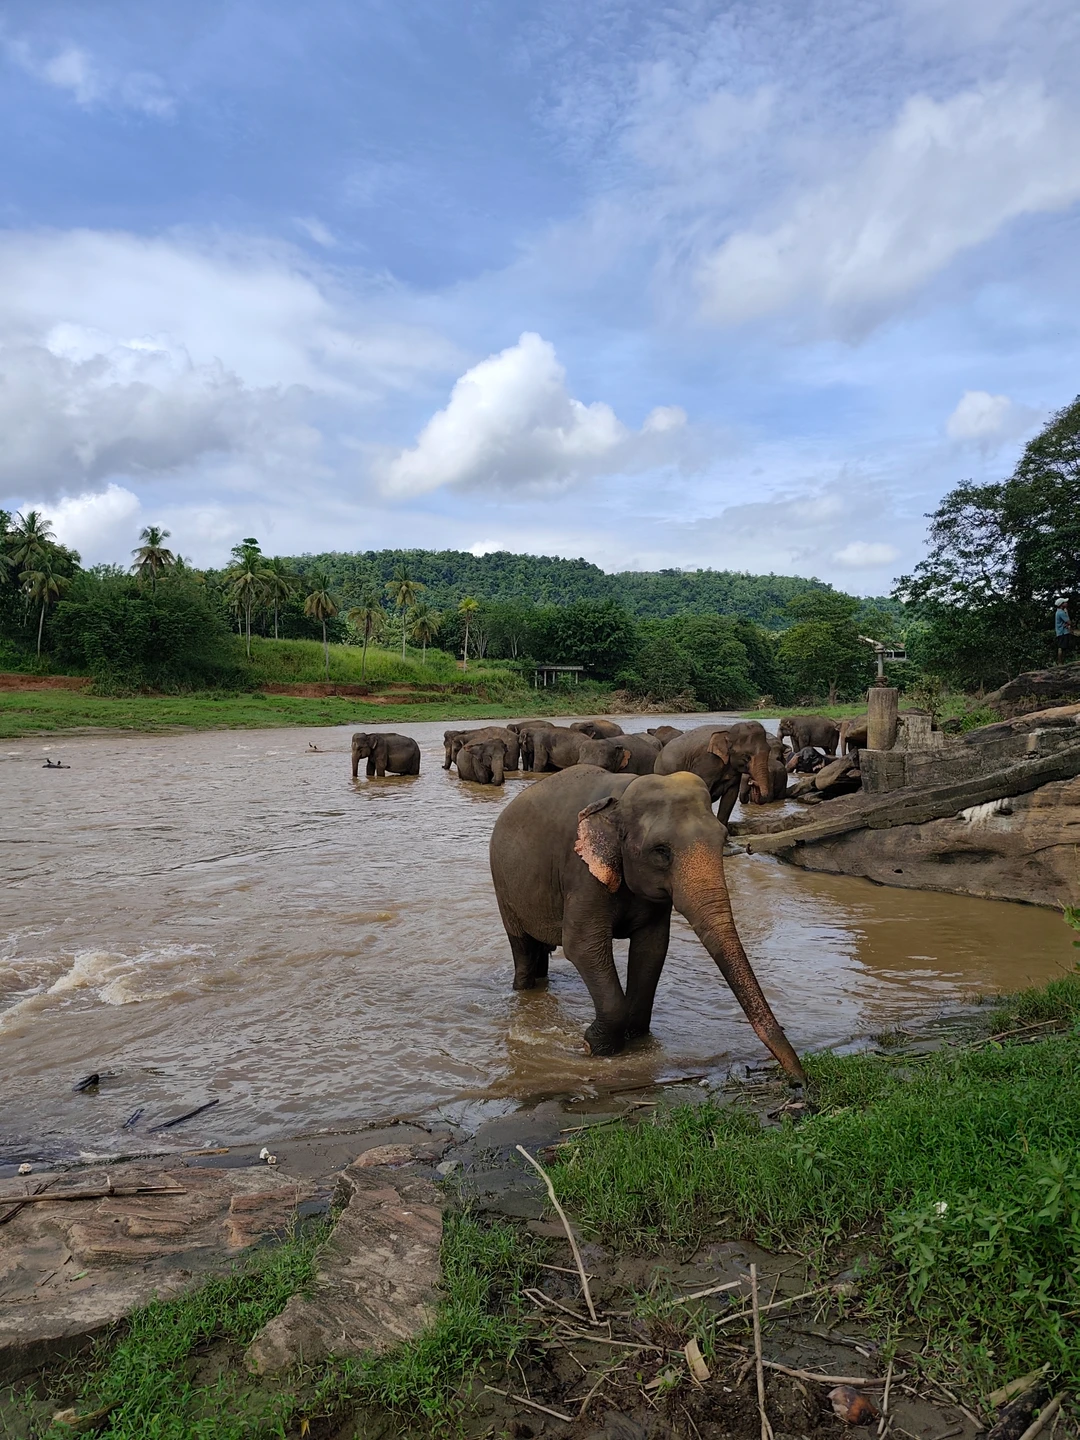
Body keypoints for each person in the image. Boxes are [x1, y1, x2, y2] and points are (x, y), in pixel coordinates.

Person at [1055, 596, 1073, 663]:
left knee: (1062, 647)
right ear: (1061, 604)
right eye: (1065, 602)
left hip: (1060, 632)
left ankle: (1061, 662)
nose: (1066, 603)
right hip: (1063, 632)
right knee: (1062, 647)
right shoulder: (1061, 613)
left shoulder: (1058, 612)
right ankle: (1061, 662)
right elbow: (1069, 622)